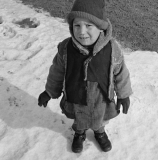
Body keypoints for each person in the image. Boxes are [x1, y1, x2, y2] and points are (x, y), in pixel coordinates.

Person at [38, 0, 133, 153]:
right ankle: (79, 133)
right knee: (80, 118)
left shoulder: (112, 48)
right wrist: (49, 91)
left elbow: (121, 72)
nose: (82, 32)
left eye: (89, 26)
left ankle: (99, 132)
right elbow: (57, 71)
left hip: (100, 97)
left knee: (99, 117)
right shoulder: (66, 49)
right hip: (77, 95)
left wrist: (124, 94)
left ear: (100, 27)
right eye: (77, 25)